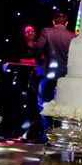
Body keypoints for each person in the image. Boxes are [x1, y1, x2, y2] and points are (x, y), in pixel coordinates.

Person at [33, 12, 75, 140]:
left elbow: (38, 47)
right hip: (66, 75)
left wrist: (40, 61)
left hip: (49, 73)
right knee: (62, 104)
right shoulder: (72, 36)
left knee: (43, 103)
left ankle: (47, 133)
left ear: (53, 22)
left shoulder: (47, 31)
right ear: (66, 23)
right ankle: (61, 133)